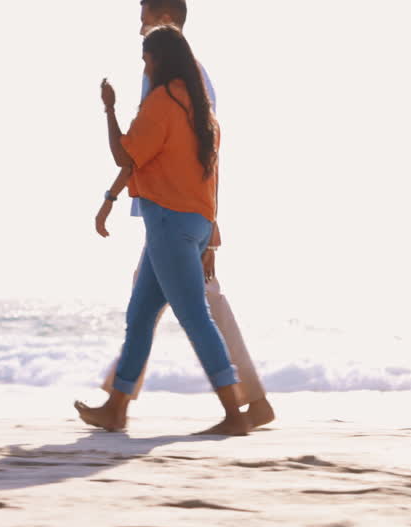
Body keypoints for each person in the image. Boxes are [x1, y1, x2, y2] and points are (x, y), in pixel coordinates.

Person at [77, 0, 275, 431]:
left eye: (146, 56)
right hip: (189, 219)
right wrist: (212, 230)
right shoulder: (199, 100)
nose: (142, 61)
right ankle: (117, 407)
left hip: (170, 220)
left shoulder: (165, 97)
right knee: (141, 314)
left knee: (196, 316)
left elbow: (128, 154)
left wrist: (108, 109)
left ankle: (236, 411)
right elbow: (209, 167)